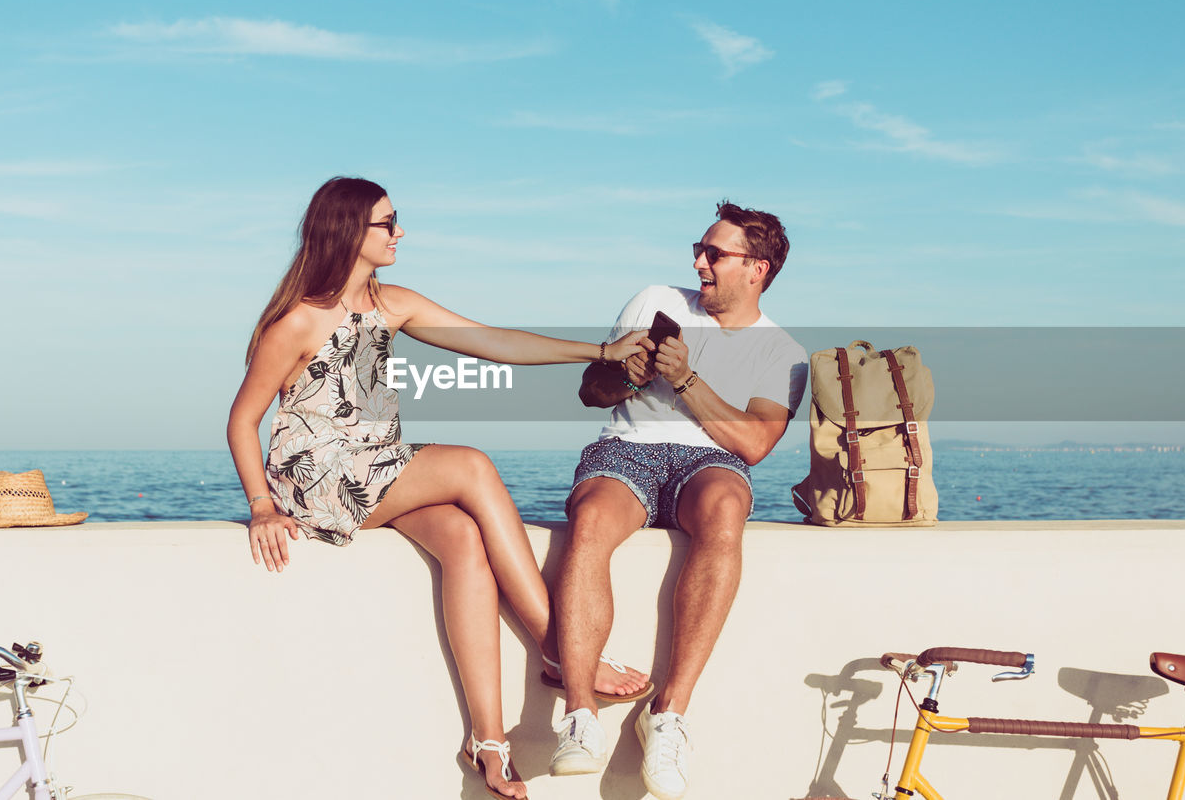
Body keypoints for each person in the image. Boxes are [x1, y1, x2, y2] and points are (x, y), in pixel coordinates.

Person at [226, 177, 651, 800]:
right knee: (471, 464)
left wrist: (602, 350)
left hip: (376, 466)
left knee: (462, 537)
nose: (400, 232)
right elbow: (242, 419)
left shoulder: (391, 303)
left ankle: (487, 741)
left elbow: (493, 342)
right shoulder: (298, 320)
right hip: (319, 477)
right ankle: (559, 648)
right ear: (348, 230)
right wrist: (261, 506)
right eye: (388, 222)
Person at [549, 201, 807, 800]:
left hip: (708, 458)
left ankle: (667, 715)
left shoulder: (784, 352)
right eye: (699, 249)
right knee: (588, 519)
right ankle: (579, 717)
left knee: (725, 508)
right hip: (628, 446)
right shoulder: (653, 300)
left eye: (714, 254)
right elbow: (592, 389)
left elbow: (754, 441)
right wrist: (629, 375)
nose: (699, 262)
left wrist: (687, 380)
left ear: (757, 268)